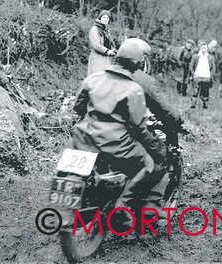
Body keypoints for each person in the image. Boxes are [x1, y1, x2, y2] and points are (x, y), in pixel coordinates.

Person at [71, 38, 169, 224]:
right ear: (138, 65)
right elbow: (139, 129)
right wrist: (157, 146)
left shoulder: (93, 78)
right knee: (148, 163)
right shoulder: (133, 89)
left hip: (82, 137)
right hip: (114, 144)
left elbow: (78, 107)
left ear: (116, 58)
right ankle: (122, 205)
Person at [87, 10, 116, 77]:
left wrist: (113, 50)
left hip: (106, 60)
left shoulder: (106, 31)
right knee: (97, 80)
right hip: (97, 59)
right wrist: (108, 51)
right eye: (104, 17)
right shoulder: (94, 29)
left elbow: (110, 44)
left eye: (107, 18)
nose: (105, 19)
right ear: (100, 18)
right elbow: (96, 45)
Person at [189, 41, 216, 109]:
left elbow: (213, 68)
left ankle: (205, 104)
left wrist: (210, 76)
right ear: (200, 48)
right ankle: (193, 104)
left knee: (205, 91)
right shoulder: (196, 56)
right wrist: (193, 74)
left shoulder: (210, 57)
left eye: (205, 48)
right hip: (197, 76)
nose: (204, 49)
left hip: (206, 77)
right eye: (202, 48)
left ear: (207, 49)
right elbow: (191, 65)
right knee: (195, 91)